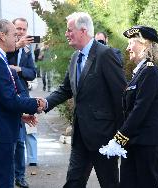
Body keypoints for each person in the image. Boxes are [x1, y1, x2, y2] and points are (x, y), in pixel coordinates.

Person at [42, 12, 126, 188]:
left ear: (83, 30)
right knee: (73, 182)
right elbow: (65, 89)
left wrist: (120, 136)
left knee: (109, 184)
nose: (66, 34)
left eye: (69, 30)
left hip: (104, 138)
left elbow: (120, 96)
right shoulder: (75, 57)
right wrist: (45, 103)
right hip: (80, 136)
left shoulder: (105, 55)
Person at [0, 19, 44, 188]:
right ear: (2, 36)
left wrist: (20, 115)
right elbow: (9, 99)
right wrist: (36, 104)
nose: (17, 38)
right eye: (14, 34)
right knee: (1, 182)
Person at [100, 26, 158, 188]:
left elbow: (140, 110)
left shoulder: (150, 72)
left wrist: (119, 138)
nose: (127, 47)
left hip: (147, 144)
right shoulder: (140, 72)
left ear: (144, 45)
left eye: (131, 43)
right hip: (134, 142)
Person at [6, 17, 37, 188]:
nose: (20, 32)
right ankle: (8, 175)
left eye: (23, 29)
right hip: (5, 95)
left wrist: (19, 70)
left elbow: (32, 73)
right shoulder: (6, 46)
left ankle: (20, 176)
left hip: (22, 95)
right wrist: (16, 46)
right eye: (18, 28)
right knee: (8, 140)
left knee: (20, 140)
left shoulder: (26, 50)